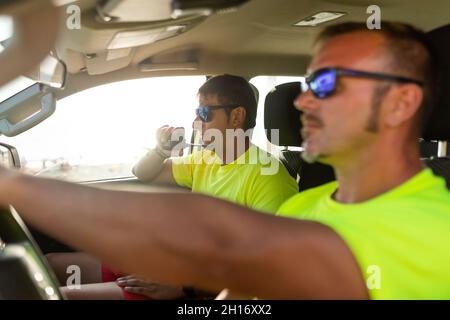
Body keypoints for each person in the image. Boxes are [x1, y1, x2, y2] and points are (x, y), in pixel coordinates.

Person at [1, 21, 449, 299]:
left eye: (328, 84)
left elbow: (227, 242)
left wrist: (16, 186)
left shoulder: (436, 227)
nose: (303, 102)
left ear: (400, 103)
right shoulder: (303, 209)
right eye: (308, 84)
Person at [46, 74, 298, 300]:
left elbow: (268, 268)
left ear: (236, 116)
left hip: (194, 286)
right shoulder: (206, 159)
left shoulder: (268, 177)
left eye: (204, 114)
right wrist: (161, 149)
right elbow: (143, 173)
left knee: (63, 296)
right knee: (47, 265)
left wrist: (183, 287)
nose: (195, 124)